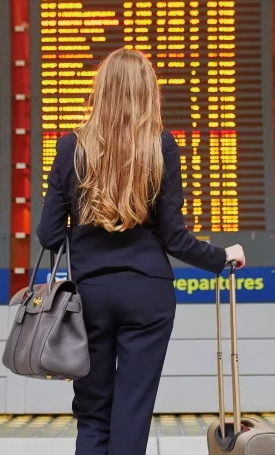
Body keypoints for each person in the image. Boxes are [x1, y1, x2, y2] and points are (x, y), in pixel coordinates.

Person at [36, 48, 246, 455]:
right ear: (148, 92)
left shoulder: (70, 147)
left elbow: (48, 235)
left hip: (90, 298)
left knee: (93, 410)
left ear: (99, 91)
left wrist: (84, 230)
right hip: (149, 296)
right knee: (132, 409)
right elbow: (174, 238)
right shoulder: (160, 146)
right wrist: (222, 257)